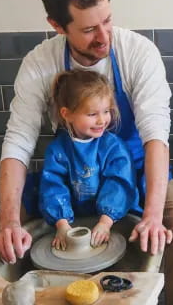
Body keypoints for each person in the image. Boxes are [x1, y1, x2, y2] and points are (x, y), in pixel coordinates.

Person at [0, 0, 173, 305]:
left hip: (136, 169)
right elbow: (18, 142)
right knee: (2, 236)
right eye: (89, 29)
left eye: (107, 20)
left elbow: (156, 135)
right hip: (72, 174)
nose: (104, 36)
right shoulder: (39, 64)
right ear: (57, 25)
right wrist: (8, 222)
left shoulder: (137, 53)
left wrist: (153, 215)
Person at [37, 70, 143, 250]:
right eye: (92, 114)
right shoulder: (57, 151)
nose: (102, 120)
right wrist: (62, 226)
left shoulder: (114, 147)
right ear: (67, 114)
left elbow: (119, 185)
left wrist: (105, 222)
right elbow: (53, 187)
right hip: (74, 220)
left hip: (114, 219)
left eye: (107, 111)